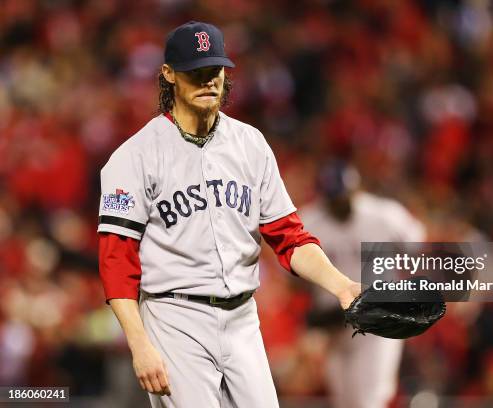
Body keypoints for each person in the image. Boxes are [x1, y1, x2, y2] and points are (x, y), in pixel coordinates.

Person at [97, 21, 361, 408]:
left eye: (215, 70)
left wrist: (341, 286)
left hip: (242, 318)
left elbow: (289, 237)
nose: (208, 81)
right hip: (174, 318)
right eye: (196, 72)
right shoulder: (132, 158)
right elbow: (116, 259)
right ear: (168, 75)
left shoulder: (250, 144)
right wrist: (139, 343)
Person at [300, 160, 426, 408]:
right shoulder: (309, 221)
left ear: (356, 190)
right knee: (345, 402)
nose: (340, 203)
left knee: (368, 401)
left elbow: (419, 249)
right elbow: (295, 277)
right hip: (334, 324)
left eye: (344, 196)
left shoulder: (384, 215)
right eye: (334, 197)